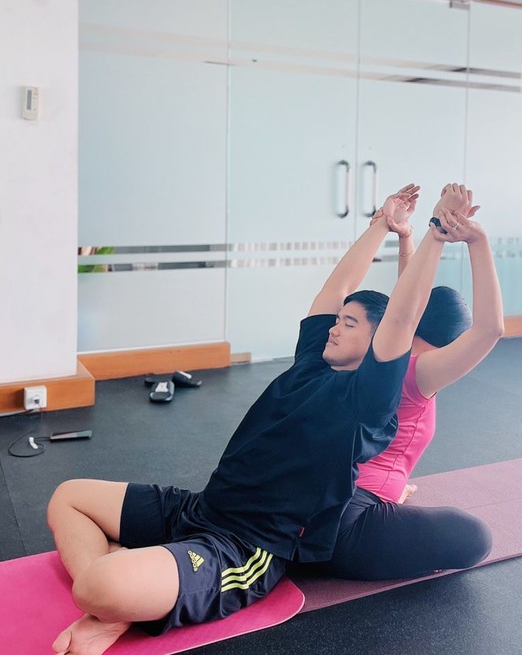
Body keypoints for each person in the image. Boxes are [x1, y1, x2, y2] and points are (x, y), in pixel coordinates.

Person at [47, 181, 459, 655]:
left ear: (377, 344)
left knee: (97, 583)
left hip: (244, 547)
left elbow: (403, 318)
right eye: (337, 320)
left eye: (349, 324)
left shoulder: (367, 402)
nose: (334, 327)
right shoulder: (312, 362)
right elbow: (336, 288)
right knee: (68, 498)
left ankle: (112, 602)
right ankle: (117, 605)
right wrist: (380, 226)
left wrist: (434, 234)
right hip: (200, 509)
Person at [314, 189, 504, 581]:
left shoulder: (374, 352)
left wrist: (405, 238)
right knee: (474, 537)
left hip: (314, 503)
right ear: (451, 342)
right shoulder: (420, 373)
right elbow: (490, 329)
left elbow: (406, 305)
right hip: (350, 522)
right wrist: (478, 240)